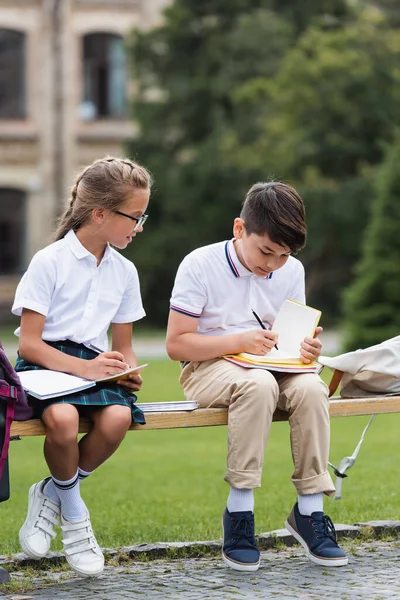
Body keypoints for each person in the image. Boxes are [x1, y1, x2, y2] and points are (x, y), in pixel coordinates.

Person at [166, 181, 348, 572]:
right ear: (239, 229)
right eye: (266, 251)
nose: (273, 264)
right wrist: (239, 341)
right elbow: (177, 345)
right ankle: (240, 511)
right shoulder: (199, 264)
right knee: (257, 384)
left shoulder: (291, 270)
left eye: (284, 255)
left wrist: (306, 349)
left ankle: (310, 512)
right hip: (207, 370)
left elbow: (290, 336)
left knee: (313, 388)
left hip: (275, 368)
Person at [12, 156, 152, 578]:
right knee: (63, 419)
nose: (139, 227)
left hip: (93, 367)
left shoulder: (125, 272)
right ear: (100, 213)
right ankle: (74, 517)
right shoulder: (49, 261)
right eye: (135, 217)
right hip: (47, 364)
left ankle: (51, 492)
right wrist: (84, 369)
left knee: (117, 420)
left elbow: (123, 346)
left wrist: (126, 369)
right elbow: (29, 343)